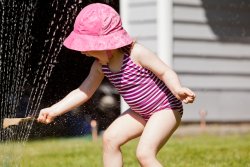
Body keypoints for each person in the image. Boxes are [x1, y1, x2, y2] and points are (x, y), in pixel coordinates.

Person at [38, 3, 195, 167]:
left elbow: (165, 72)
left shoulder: (136, 54)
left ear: (107, 44)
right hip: (140, 112)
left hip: (165, 108)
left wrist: (177, 89)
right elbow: (83, 91)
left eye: (87, 47)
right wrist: (54, 109)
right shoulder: (100, 66)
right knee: (110, 139)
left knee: (144, 154)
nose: (83, 52)